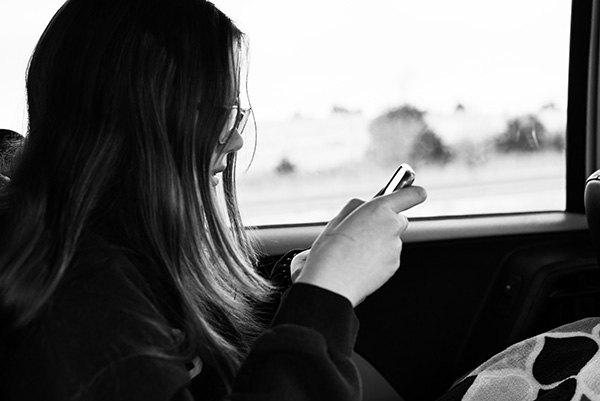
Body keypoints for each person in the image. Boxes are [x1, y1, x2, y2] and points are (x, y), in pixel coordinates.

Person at [0, 0, 426, 400]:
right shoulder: (82, 317)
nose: (237, 137)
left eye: (235, 114)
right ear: (149, 118)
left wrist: (305, 284)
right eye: (222, 112)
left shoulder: (113, 250)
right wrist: (326, 294)